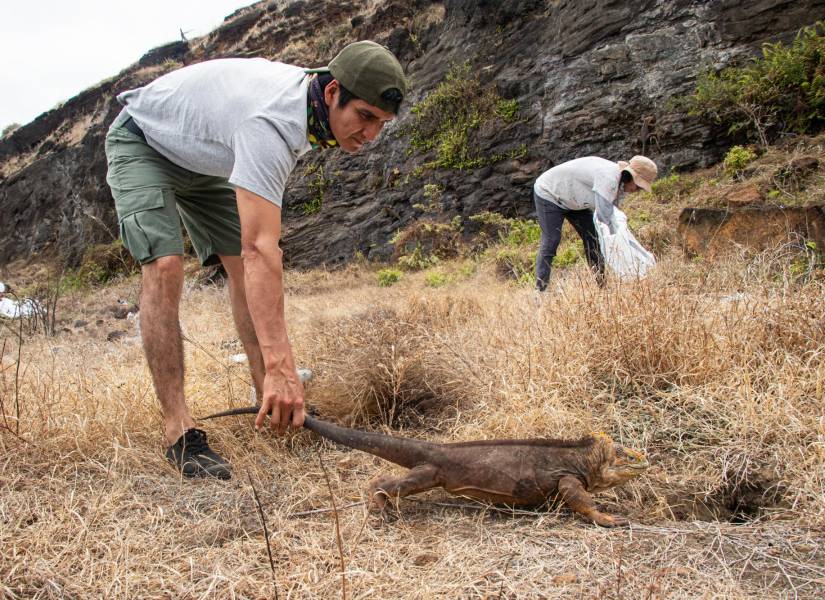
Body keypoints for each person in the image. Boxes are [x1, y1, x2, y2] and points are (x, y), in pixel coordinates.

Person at [104, 41, 407, 479]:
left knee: (241, 271)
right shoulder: (271, 121)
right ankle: (179, 432)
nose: (371, 135)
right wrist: (285, 366)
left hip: (207, 160)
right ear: (331, 92)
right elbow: (261, 250)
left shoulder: (310, 110)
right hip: (145, 141)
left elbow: (250, 263)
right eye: (365, 116)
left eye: (382, 123)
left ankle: (275, 405)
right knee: (166, 266)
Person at [532, 155, 658, 291]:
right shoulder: (609, 177)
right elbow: (605, 217)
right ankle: (540, 290)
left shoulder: (615, 181)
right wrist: (621, 247)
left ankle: (602, 287)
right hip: (549, 192)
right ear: (631, 176)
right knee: (552, 240)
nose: (637, 190)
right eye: (639, 186)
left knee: (593, 238)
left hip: (573, 200)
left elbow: (609, 217)